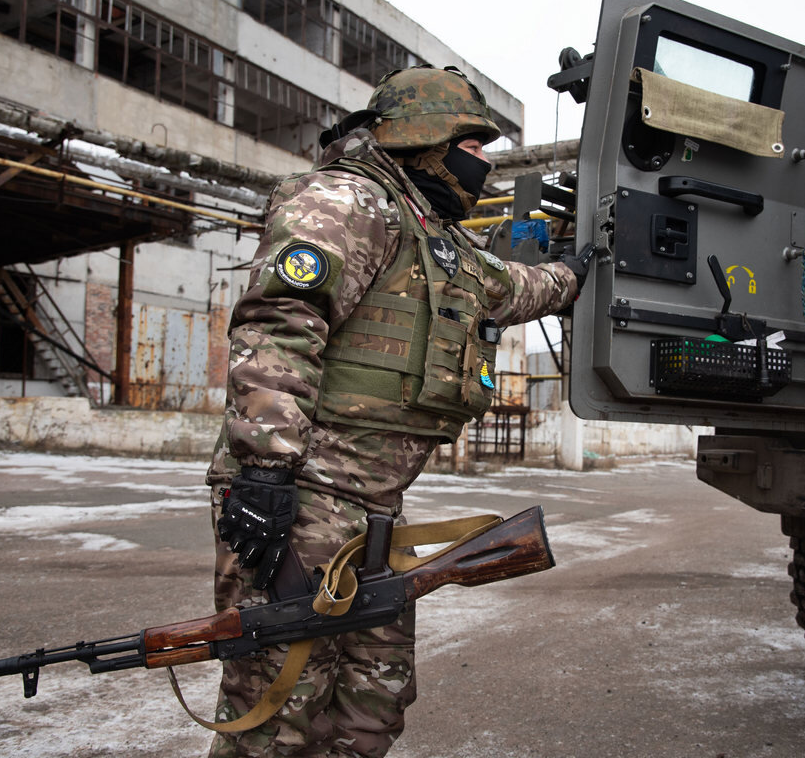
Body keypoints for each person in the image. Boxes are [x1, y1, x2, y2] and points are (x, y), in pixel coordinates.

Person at [204, 65, 587, 758]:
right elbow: (281, 322)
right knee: (281, 706)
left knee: (371, 703)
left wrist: (573, 274)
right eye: (476, 148)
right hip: (303, 495)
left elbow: (506, 288)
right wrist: (264, 470)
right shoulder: (350, 203)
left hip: (375, 505)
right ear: (430, 139)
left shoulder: (431, 237)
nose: (486, 165)